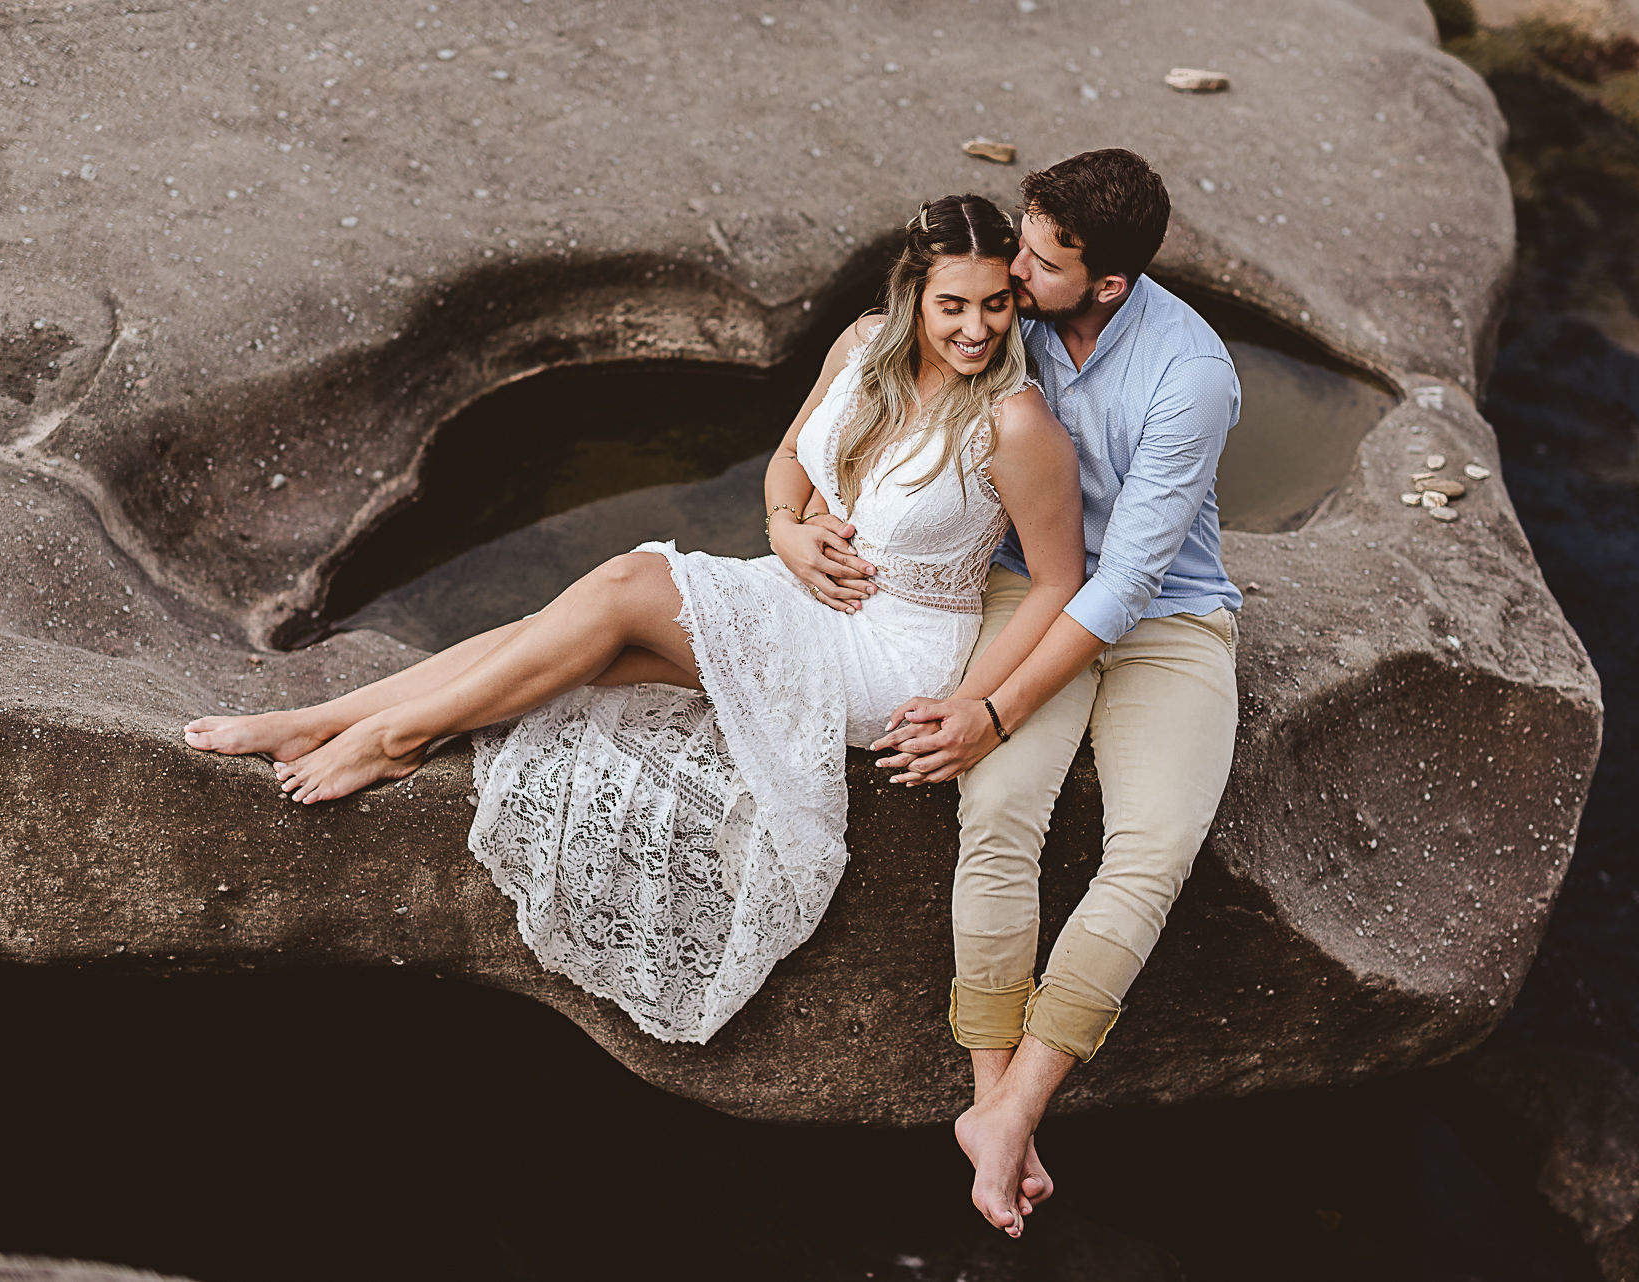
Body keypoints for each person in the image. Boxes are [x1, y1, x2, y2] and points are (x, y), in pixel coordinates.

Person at [181, 193, 1085, 1046]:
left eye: (999, 305)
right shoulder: (862, 347)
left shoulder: (1014, 424)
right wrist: (788, 530)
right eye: (953, 306)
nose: (977, 329)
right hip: (797, 590)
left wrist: (972, 706)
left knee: (625, 588)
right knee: (567, 635)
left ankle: (396, 736)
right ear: (912, 294)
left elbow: (1056, 582)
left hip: (891, 651)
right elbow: (787, 463)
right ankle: (325, 720)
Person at [867, 150, 1243, 1239]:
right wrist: (805, 523)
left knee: (1157, 840)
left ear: (1109, 282)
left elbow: (1127, 580)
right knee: (994, 808)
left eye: (1036, 259)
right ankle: (991, 1105)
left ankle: (1015, 1106)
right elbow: (898, 365)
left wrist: (991, 709)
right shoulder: (1009, 315)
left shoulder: (1192, 374)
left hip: (1167, 616)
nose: (1011, 273)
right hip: (1028, 592)